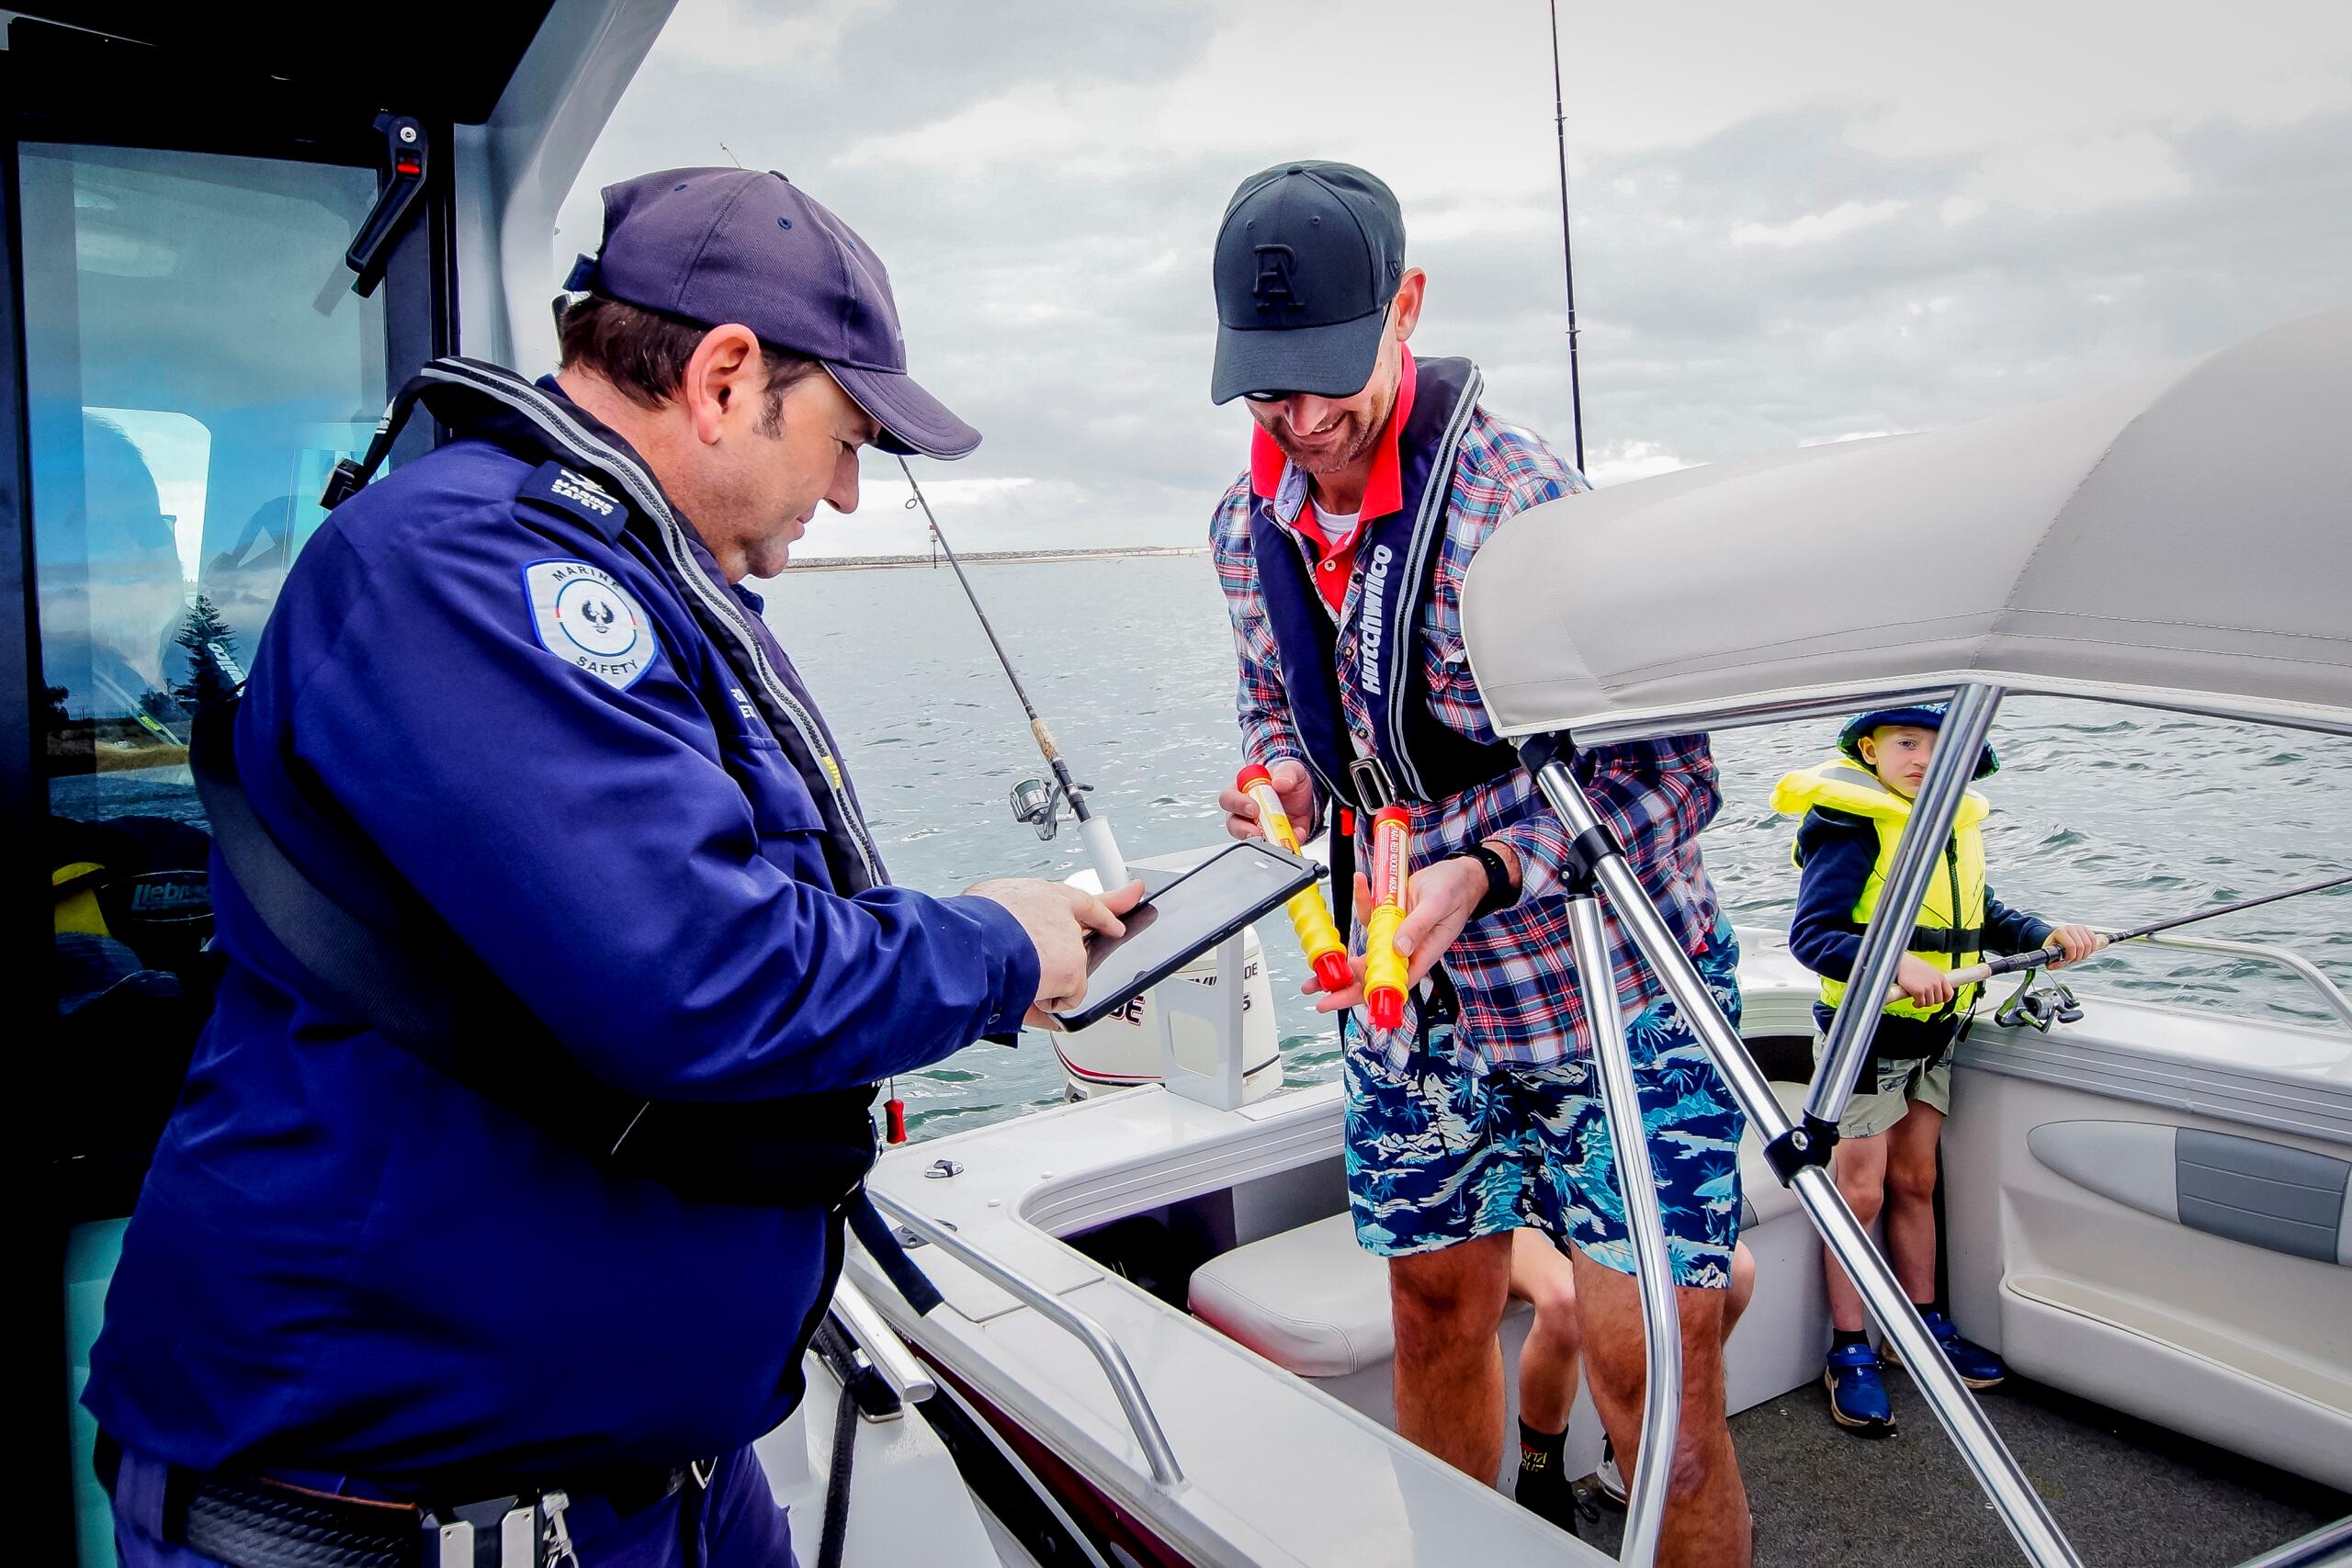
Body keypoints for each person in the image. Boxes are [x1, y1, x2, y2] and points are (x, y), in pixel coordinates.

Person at [84, 167, 1141, 1568]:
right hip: (390, 1519)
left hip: (656, 1489)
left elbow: (744, 906)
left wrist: (1005, 944)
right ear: (722, 377)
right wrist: (995, 948)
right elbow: (694, 972)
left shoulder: (633, 576)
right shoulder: (464, 566)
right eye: (844, 434)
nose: (846, 487)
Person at [1208, 160, 1754, 1561]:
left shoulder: (1525, 513)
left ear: (1410, 305)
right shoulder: (1240, 526)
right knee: (1432, 1320)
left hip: (1609, 1004)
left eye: (1332, 370)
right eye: (1269, 388)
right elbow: (1283, 712)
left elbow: (1674, 777)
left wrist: (1494, 873)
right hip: (1413, 1019)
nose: (1307, 418)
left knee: (1662, 1399)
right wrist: (1276, 776)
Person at [1772, 705, 2100, 1437]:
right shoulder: (1850, 823)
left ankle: (1921, 1326)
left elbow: (1981, 914)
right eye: (1907, 742)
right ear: (1870, 748)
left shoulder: (1956, 822)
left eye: (1939, 746)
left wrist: (2046, 933)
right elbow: (1814, 935)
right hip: (1864, 1038)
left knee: (1917, 1180)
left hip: (1937, 1033)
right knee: (1857, 1194)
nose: (1923, 758)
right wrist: (1896, 962)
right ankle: (1850, 1349)